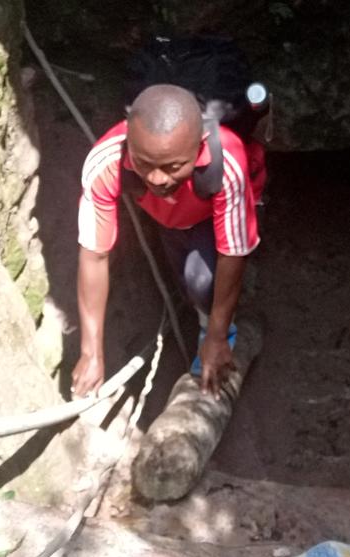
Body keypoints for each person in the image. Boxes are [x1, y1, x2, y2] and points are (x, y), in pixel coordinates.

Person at [71, 84, 264, 398]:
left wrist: (216, 338)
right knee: (184, 278)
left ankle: (215, 329)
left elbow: (232, 253)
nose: (157, 178)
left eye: (172, 166)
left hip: (210, 211)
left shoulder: (226, 160)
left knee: (201, 279)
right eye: (144, 164)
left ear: (199, 148)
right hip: (167, 216)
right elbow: (94, 255)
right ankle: (198, 311)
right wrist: (91, 352)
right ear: (129, 142)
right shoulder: (106, 162)